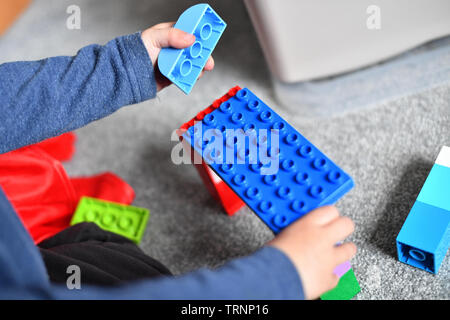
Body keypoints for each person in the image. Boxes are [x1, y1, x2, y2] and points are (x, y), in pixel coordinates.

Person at [0, 23, 356, 299]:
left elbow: (9, 100)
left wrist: (125, 66)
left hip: (30, 259)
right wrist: (280, 279)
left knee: (100, 250)